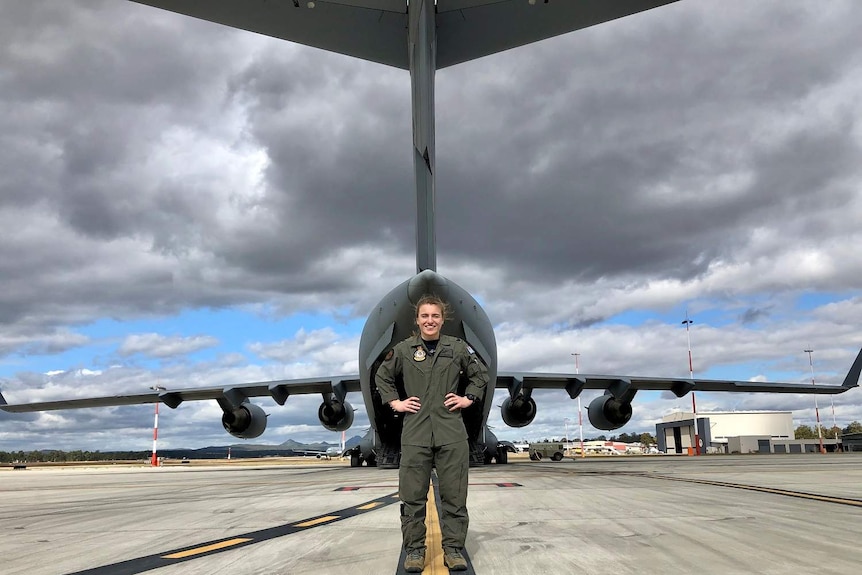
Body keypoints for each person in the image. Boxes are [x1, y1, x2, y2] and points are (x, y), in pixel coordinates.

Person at [375, 294, 488, 573]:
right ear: (417, 320)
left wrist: (468, 398)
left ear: (442, 319)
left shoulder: (457, 348)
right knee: (412, 498)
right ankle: (414, 551)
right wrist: (395, 402)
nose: (430, 321)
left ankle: (453, 550)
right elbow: (382, 376)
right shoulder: (403, 350)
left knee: (454, 496)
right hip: (415, 435)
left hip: (451, 433)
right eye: (424, 316)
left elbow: (480, 374)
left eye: (435, 316)